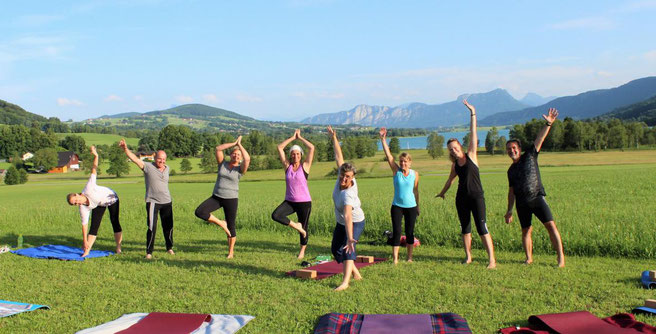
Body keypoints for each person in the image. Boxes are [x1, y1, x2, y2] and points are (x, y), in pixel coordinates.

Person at [436, 100, 496, 269]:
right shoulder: (454, 165)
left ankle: (492, 259)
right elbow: (450, 181)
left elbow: (473, 132)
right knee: (465, 229)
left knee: (482, 227)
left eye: (454, 148)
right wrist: (442, 192)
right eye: (450, 150)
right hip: (461, 199)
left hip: (476, 197)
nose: (453, 151)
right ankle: (468, 257)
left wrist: (473, 112)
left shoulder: (471, 155)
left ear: (459, 146)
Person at [505, 108, 565, 267]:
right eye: (509, 149)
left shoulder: (530, 155)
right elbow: (511, 192)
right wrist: (509, 210)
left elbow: (540, 138)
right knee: (526, 231)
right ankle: (528, 259)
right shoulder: (510, 170)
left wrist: (548, 123)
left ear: (519, 148)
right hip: (522, 203)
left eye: (514, 148)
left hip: (537, 198)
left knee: (551, 226)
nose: (512, 151)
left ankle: (561, 260)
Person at [194, 136, 250, 258]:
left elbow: (248, 158)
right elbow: (218, 149)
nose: (236, 156)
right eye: (234, 154)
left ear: (240, 158)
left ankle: (231, 252)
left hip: (231, 199)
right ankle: (221, 223)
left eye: (238, 155)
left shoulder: (240, 169)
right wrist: (234, 143)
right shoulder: (222, 164)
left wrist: (240, 145)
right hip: (217, 197)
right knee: (200, 212)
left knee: (231, 225)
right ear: (230, 154)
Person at [119, 139, 173, 260]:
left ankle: (169, 248)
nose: (162, 161)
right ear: (154, 157)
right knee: (151, 228)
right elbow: (135, 159)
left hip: (167, 202)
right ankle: (149, 252)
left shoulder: (167, 168)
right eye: (160, 159)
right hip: (153, 202)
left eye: (164, 159)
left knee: (168, 227)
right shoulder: (147, 167)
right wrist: (125, 149)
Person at [327, 126, 366, 291]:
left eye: (348, 176)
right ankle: (355, 272)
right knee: (336, 249)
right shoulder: (341, 175)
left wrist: (350, 238)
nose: (343, 178)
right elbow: (338, 156)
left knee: (348, 248)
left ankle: (345, 282)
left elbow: (349, 216)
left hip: (355, 222)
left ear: (353, 178)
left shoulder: (348, 195)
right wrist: (334, 137)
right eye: (342, 174)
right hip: (341, 222)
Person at [66, 145, 122, 257]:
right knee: (94, 226)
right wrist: (84, 241)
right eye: (75, 203)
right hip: (98, 204)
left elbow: (94, 169)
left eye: (76, 199)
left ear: (77, 194)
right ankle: (87, 251)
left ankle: (118, 248)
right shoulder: (82, 208)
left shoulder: (88, 188)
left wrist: (96, 155)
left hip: (111, 198)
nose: (77, 202)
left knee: (114, 221)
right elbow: (84, 225)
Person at [271, 129, 315, 259]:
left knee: (304, 228)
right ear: (290, 155)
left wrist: (300, 138)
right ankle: (297, 226)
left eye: (297, 154)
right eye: (293, 154)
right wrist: (292, 137)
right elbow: (279, 147)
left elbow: (311, 147)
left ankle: (302, 251)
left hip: (304, 202)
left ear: (301, 155)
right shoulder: (287, 167)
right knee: (276, 215)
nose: (295, 156)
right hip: (289, 201)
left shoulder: (305, 166)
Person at [379, 127, 420, 264]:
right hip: (397, 206)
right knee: (397, 231)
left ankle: (409, 257)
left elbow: (416, 191)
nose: (403, 163)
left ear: (410, 162)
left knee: (410, 232)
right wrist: (383, 140)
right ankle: (395, 259)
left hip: (411, 207)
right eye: (401, 161)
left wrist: (418, 206)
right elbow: (389, 155)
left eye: (405, 161)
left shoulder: (415, 174)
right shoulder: (396, 171)